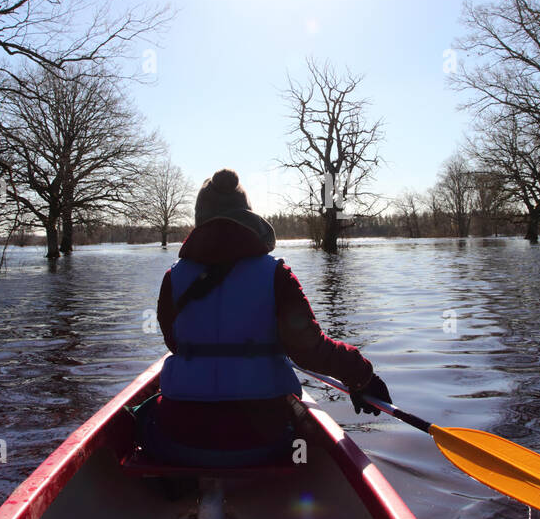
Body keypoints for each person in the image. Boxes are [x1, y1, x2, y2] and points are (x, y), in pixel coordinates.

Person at [141, 168, 390, 466]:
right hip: (263, 441)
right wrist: (362, 375)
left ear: (199, 220)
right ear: (247, 218)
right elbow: (311, 351)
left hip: (179, 440)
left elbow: (175, 343)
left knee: (142, 415)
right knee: (302, 436)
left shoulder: (173, 278)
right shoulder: (276, 275)